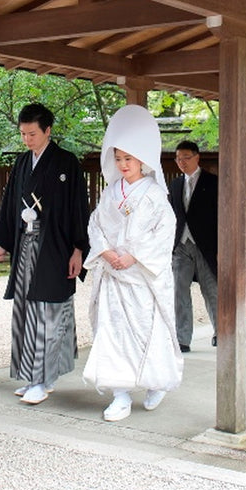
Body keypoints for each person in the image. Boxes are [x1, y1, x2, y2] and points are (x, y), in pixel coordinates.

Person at [83, 105, 183, 422]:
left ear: (142, 159)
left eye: (129, 158)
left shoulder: (154, 194)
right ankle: (120, 394)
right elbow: (95, 225)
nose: (123, 165)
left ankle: (156, 383)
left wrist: (134, 255)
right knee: (112, 333)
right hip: (114, 274)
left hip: (142, 277)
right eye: (118, 159)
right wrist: (106, 252)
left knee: (147, 332)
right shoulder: (110, 192)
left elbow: (165, 231)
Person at [0, 103, 90, 405]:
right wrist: (5, 242)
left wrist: (79, 249)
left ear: (48, 130)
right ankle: (31, 376)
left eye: (32, 133)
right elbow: (10, 204)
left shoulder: (66, 162)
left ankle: (42, 379)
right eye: (22, 134)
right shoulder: (22, 162)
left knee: (48, 313)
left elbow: (77, 208)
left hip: (56, 249)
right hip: (26, 245)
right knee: (24, 311)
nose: (27, 139)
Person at [168, 140, 219, 352]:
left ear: (197, 157)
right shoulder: (175, 184)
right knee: (179, 291)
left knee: (212, 290)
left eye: (186, 158)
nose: (182, 162)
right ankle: (182, 337)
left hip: (206, 245)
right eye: (178, 158)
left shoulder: (213, 182)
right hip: (180, 244)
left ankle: (221, 331)